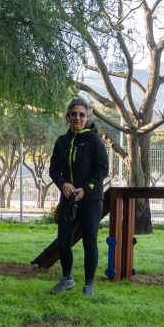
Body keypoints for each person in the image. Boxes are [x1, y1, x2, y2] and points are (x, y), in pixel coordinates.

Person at [48, 98, 110, 296]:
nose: (77, 117)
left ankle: (88, 285)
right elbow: (54, 170)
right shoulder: (61, 142)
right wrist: (63, 184)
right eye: (73, 114)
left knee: (89, 241)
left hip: (91, 200)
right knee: (63, 241)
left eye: (82, 114)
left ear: (87, 117)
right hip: (69, 199)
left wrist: (86, 189)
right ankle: (67, 278)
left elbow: (102, 169)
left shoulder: (93, 140)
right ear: (68, 117)